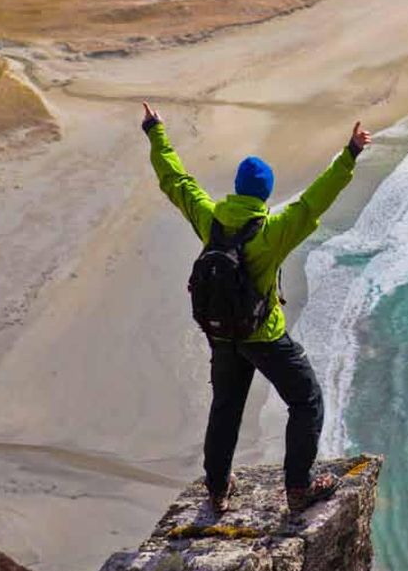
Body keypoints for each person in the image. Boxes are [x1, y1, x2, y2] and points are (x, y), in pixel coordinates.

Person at [141, 101, 371, 515]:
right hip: (262, 335)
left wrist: (155, 131)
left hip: (221, 332)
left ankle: (216, 489)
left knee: (225, 408)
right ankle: (298, 488)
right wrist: (349, 154)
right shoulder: (272, 233)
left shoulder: (209, 217)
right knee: (307, 400)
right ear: (264, 194)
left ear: (237, 187)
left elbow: (176, 181)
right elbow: (313, 203)